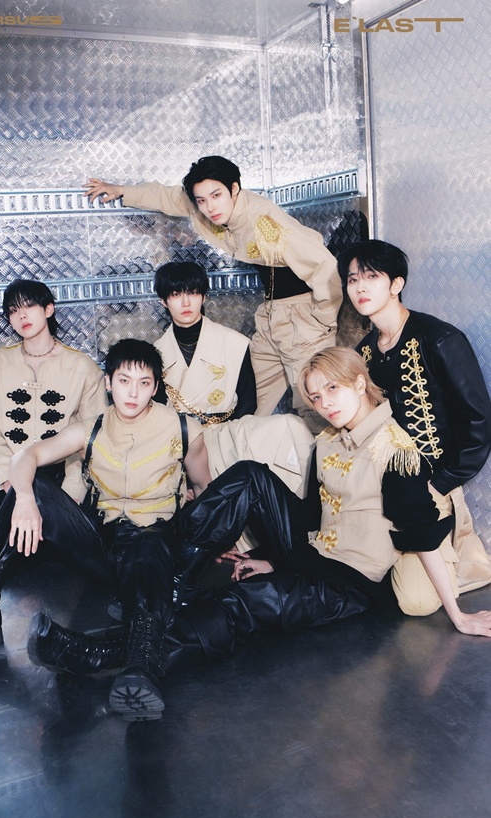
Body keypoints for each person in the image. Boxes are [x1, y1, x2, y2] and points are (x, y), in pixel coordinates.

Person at [28, 348, 491, 707]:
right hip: (314, 553)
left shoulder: (395, 451)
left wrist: (458, 615)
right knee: (250, 475)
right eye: (316, 397)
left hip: (349, 583)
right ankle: (170, 579)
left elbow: (423, 535)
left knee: (237, 603)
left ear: (359, 382)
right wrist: (270, 557)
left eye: (333, 390)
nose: (325, 404)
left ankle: (100, 653)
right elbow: (312, 514)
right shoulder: (330, 440)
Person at [0, 339, 211, 722]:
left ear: (156, 387)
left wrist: (209, 541)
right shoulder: (91, 428)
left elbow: (204, 488)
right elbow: (27, 454)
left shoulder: (183, 428)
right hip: (104, 548)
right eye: (124, 381)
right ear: (108, 383)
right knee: (28, 485)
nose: (133, 393)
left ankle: (140, 670)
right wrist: (25, 497)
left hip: (156, 542)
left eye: (144, 383)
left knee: (148, 541)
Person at [84, 155, 342, 430]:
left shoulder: (265, 222)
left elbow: (324, 266)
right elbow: (169, 197)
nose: (209, 207)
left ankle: (331, 457)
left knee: (314, 402)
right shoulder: (205, 206)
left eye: (217, 195)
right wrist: (122, 191)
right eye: (202, 200)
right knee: (249, 400)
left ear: (234, 189)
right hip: (272, 313)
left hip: (303, 315)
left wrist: (322, 321)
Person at [0, 278, 108, 655]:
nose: (22, 316)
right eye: (13, 310)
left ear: (48, 309)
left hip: (62, 489)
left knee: (30, 495)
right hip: (13, 487)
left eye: (29, 306)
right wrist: (9, 480)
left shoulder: (81, 368)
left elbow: (92, 440)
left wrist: (71, 492)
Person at [337, 240, 491, 614]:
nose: (359, 287)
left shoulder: (439, 339)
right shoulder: (363, 353)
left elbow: (479, 421)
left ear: (396, 284)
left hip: (427, 487)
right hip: (378, 481)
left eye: (371, 277)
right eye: (353, 279)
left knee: (417, 602)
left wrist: (440, 483)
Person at [154, 261, 313, 499]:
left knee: (289, 426)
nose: (186, 303)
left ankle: (298, 505)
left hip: (227, 432)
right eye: (176, 295)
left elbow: (248, 402)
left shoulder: (235, 343)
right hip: (182, 442)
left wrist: (229, 438)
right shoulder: (156, 354)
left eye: (193, 293)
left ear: (204, 297)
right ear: (163, 301)